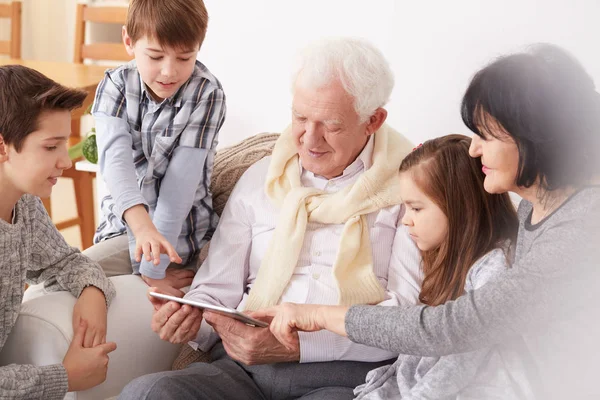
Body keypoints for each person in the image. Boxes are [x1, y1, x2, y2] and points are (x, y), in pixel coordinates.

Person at [258, 44, 600, 399]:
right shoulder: (537, 208)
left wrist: (322, 315)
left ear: (533, 137)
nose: (474, 149)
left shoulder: (581, 231)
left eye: (486, 135)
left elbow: (457, 328)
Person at [119, 37, 421, 400]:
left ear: (373, 120)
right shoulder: (261, 177)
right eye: (300, 118)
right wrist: (191, 319)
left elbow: (406, 319)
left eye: (331, 125)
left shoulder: (410, 191)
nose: (310, 138)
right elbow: (217, 289)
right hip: (241, 370)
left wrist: (299, 348)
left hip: (346, 380)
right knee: (150, 392)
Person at [84, 0, 226, 297]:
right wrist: (142, 229)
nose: (168, 71)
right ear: (128, 41)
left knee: (86, 277)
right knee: (67, 278)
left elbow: (179, 188)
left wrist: (153, 270)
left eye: (185, 58)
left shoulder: (207, 93)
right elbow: (117, 166)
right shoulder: (115, 86)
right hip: (124, 227)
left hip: (180, 238)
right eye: (155, 56)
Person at [0, 65, 117, 399]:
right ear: (3, 146)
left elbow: (65, 262)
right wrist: (64, 378)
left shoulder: (25, 206)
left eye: (64, 145)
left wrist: (92, 290)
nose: (65, 161)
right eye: (51, 147)